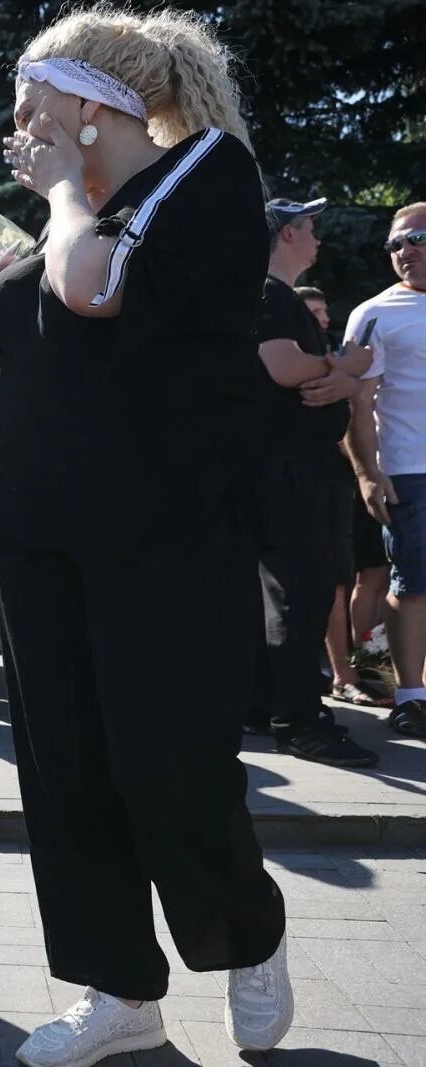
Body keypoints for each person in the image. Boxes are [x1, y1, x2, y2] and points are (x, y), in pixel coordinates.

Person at [0, 11, 293, 1062]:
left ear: (91, 104)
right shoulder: (65, 210)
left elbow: (92, 288)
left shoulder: (204, 169)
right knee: (66, 768)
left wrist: (57, 189)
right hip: (31, 514)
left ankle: (247, 931)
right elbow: (27, 307)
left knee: (167, 756)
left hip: (156, 519)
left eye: (31, 102)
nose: (18, 127)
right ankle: (119, 990)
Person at [248, 198, 379, 765]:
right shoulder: (270, 294)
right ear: (285, 236)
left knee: (292, 596)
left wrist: (337, 376)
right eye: (309, 227)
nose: (318, 238)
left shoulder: (272, 294)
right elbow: (281, 365)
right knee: (301, 598)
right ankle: (298, 719)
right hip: (291, 476)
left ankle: (265, 706)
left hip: (294, 473)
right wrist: (341, 369)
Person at [346, 201, 426, 738]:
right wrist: (368, 474)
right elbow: (356, 401)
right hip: (410, 472)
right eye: (395, 244)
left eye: (416, 239)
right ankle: (410, 696)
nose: (404, 252)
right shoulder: (375, 312)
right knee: (413, 584)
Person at [295, 286, 393, 706]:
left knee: (377, 574)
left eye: (322, 311)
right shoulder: (300, 363)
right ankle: (344, 673)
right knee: (339, 581)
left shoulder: (336, 357)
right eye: (311, 312)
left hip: (364, 477)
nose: (321, 318)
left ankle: (374, 663)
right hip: (329, 480)